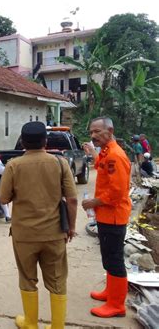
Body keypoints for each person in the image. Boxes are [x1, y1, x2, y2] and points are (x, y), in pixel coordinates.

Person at [0, 121, 77, 329]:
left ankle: (31, 324)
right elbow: (72, 199)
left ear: (23, 142)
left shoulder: (14, 165)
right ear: (46, 141)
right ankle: (57, 326)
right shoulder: (60, 163)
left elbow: (4, 198)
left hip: (24, 235)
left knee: (27, 278)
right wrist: (71, 227)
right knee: (58, 280)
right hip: (54, 233)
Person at [82, 117, 131, 318]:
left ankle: (117, 305)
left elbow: (117, 192)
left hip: (113, 216)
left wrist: (94, 202)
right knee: (108, 258)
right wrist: (93, 153)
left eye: (97, 132)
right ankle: (110, 293)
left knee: (114, 260)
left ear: (109, 131)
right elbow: (102, 167)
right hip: (106, 215)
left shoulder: (116, 156)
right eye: (92, 132)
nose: (94, 136)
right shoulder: (107, 153)